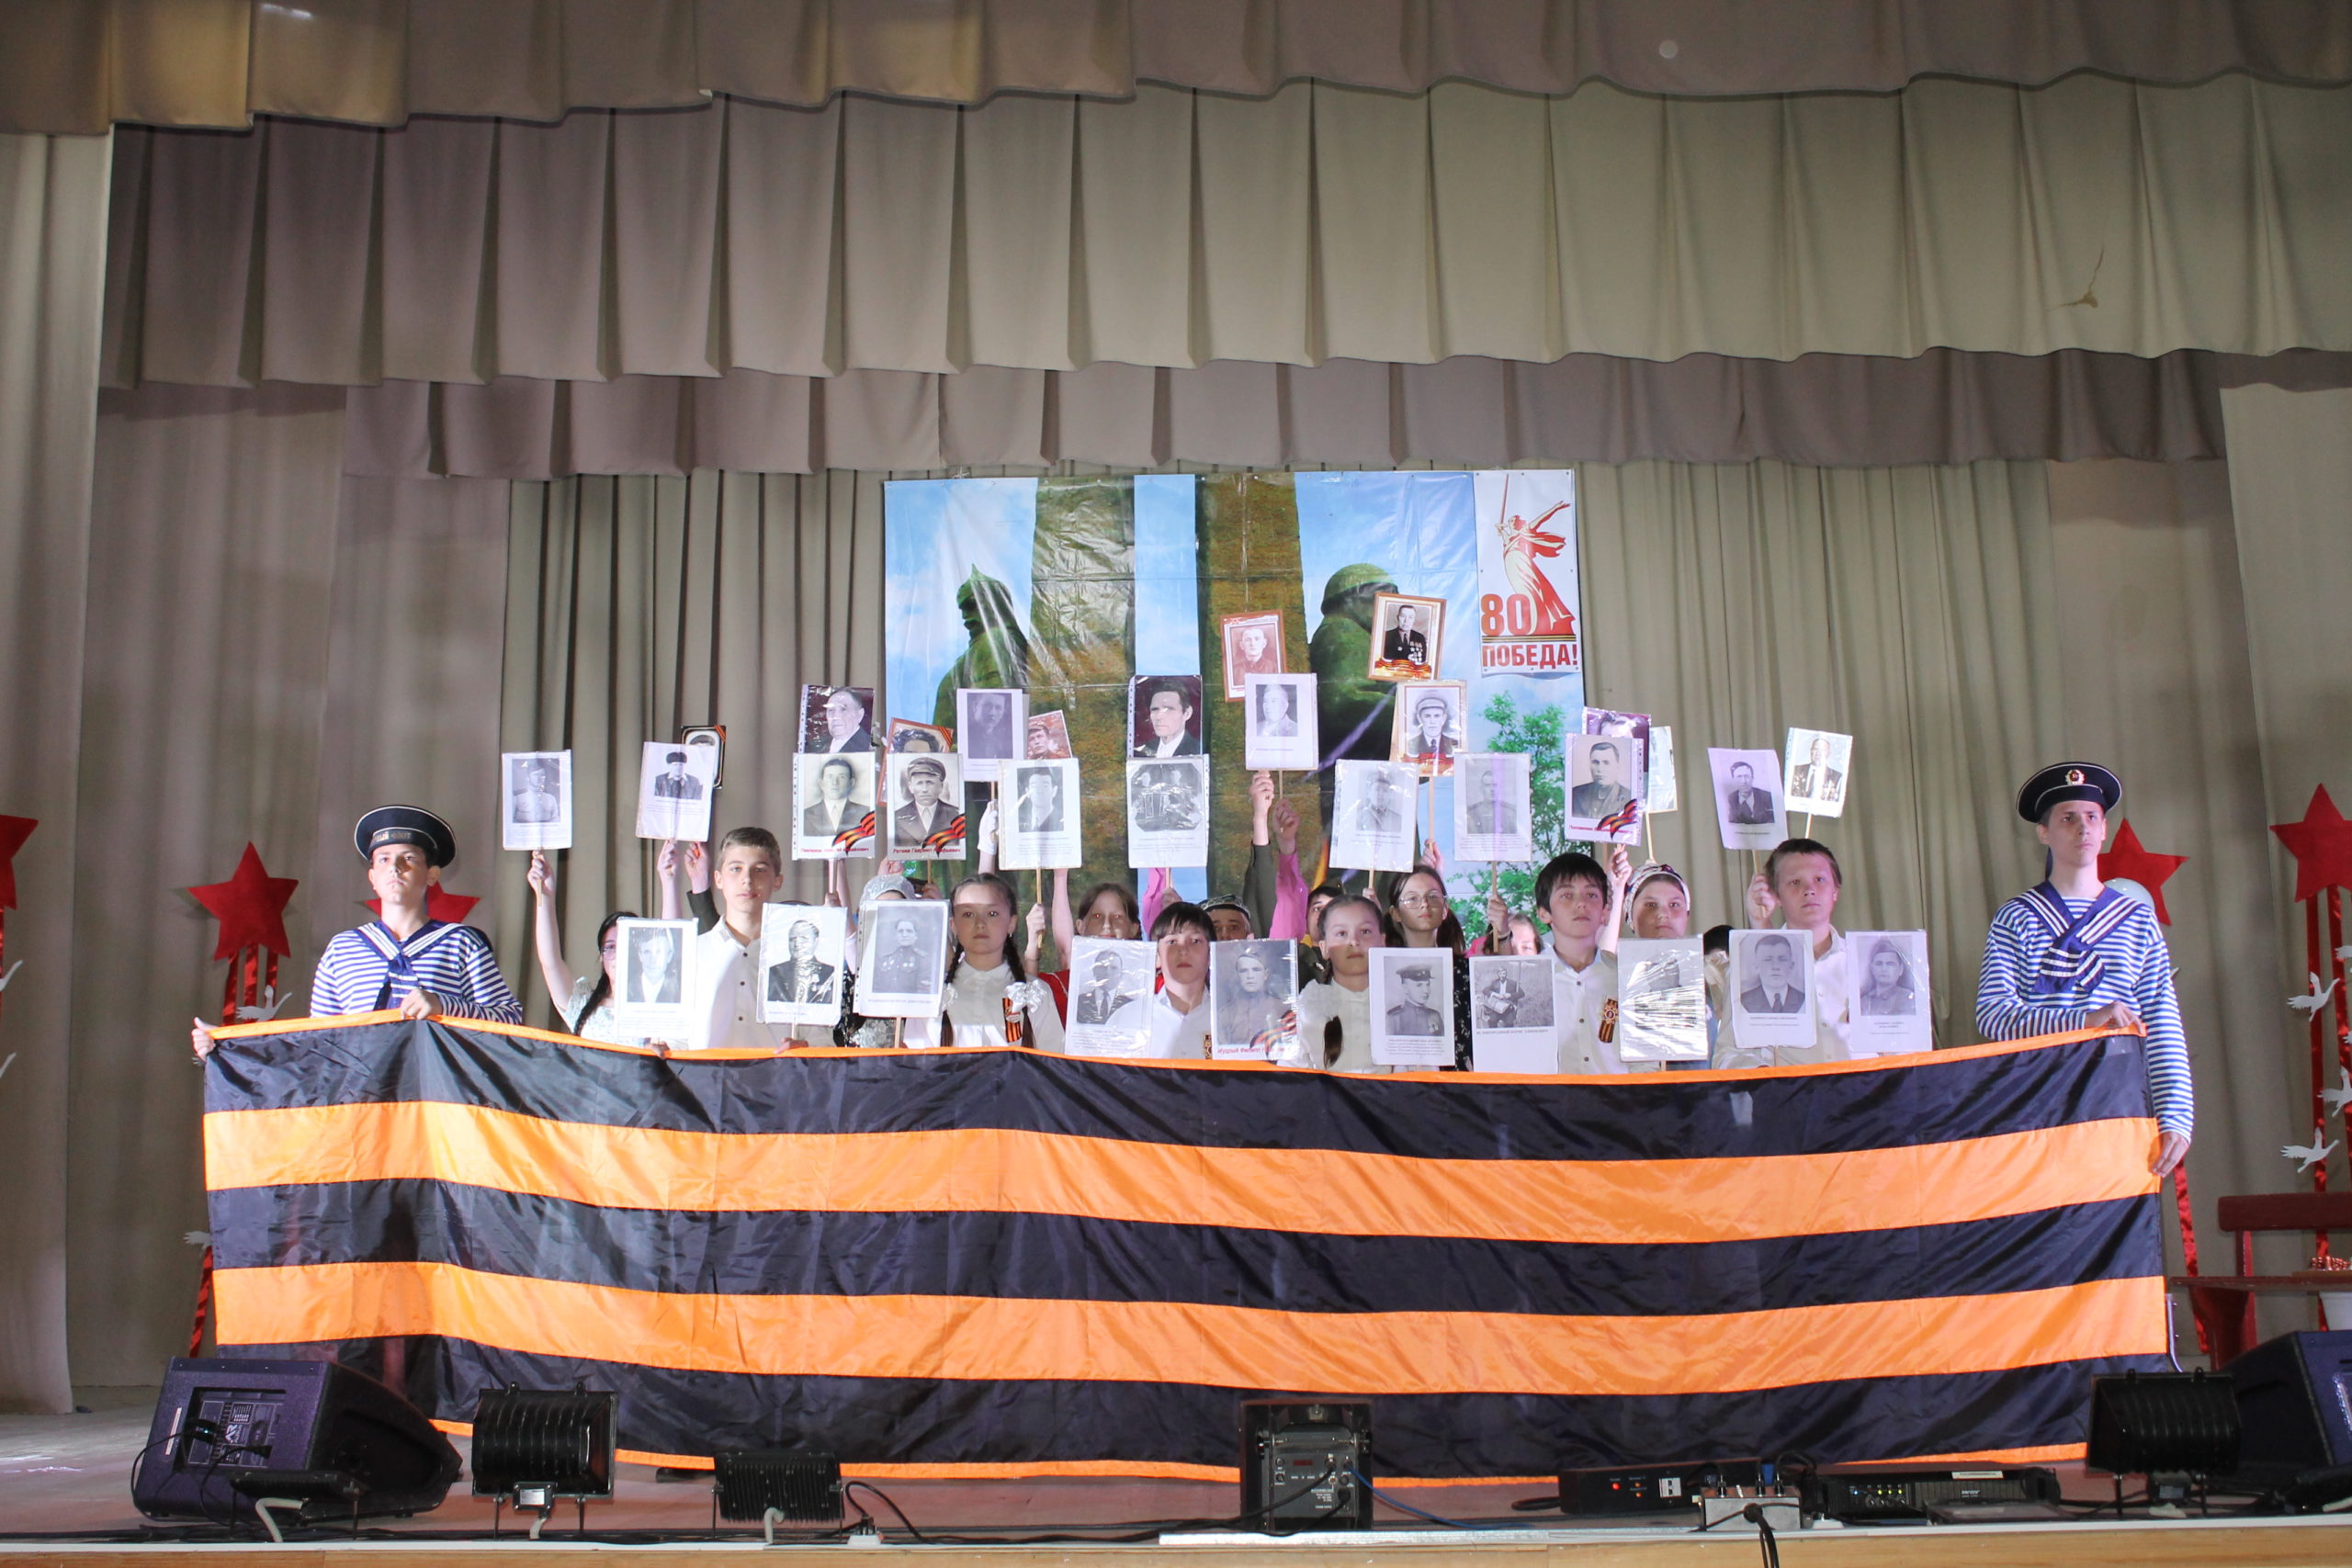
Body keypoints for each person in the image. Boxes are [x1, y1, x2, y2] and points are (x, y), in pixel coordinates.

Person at [1978, 761, 2191, 1177]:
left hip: (2118, 1100)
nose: (2083, 829)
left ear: (2105, 829)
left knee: (2117, 1212)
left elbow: (2162, 1019)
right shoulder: (2016, 917)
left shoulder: (2136, 919)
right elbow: (1993, 1016)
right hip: (2037, 1097)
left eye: (2092, 817)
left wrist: (2176, 1115)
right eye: (2068, 818)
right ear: (2044, 833)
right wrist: (2084, 1020)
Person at [195, 806, 521, 1058]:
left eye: (408, 859)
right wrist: (228, 1046)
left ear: (432, 875)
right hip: (364, 1099)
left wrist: (443, 1005)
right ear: (372, 878)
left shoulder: (461, 942)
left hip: (439, 1098)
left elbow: (510, 1021)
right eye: (383, 860)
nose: (395, 868)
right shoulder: (343, 949)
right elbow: (320, 1039)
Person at [525, 842, 684, 1047]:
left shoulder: (657, 1006)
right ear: (601, 956)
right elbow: (550, 962)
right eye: (610, 947)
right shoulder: (582, 1002)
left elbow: (672, 940)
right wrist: (545, 896)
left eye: (627, 945)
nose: (619, 954)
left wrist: (669, 882)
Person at [1719, 837, 1850, 1066]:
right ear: (1776, 895)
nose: (1809, 890)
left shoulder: (1866, 962)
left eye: (1819, 879)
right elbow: (1728, 1054)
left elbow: (1905, 1048)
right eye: (1795, 882)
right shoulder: (1747, 969)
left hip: (1864, 1087)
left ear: (1835, 890)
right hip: (1789, 1088)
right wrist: (1764, 1076)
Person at [684, 826, 794, 1052]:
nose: (747, 880)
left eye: (759, 870)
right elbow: (675, 1040)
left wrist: (806, 1047)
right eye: (736, 869)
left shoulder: (797, 958)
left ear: (777, 881)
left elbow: (820, 1040)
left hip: (776, 1073)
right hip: (707, 1074)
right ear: (718, 879)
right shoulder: (691, 953)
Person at [940, 872, 1065, 1052]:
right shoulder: (935, 996)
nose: (980, 923)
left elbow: (1053, 1061)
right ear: (953, 925)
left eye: (992, 913)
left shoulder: (1037, 993)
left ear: (1011, 923)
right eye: (968, 914)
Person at [1533, 849, 1629, 1074]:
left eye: (1591, 895)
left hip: (1618, 1094)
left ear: (1605, 912)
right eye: (1567, 895)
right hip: (1550, 1096)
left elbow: (1645, 1060)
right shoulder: (1530, 982)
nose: (1581, 904)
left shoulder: (1625, 976)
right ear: (1544, 913)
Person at [1386, 860, 1472, 1067]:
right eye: (1412, 899)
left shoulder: (1465, 973)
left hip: (1456, 1083)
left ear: (1445, 909)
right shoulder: (1382, 972)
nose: (1424, 904)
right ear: (1396, 913)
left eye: (1433, 897)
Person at [1293, 895, 1387, 1071]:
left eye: (1365, 931)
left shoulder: (1401, 1005)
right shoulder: (1307, 1010)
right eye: (1341, 934)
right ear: (1324, 948)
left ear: (1382, 941)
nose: (1354, 941)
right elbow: (1289, 1076)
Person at [1130, 901, 1214, 1059]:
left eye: (1195, 941)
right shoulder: (1130, 1018)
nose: (1184, 950)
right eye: (1172, 942)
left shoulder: (1231, 1021)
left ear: (1210, 955)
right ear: (1156, 956)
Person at [1216, 941, 1288, 1047]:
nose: (1250, 976)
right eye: (1244, 971)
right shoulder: (1225, 1014)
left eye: (1256, 970)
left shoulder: (1283, 1009)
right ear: (1237, 975)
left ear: (1266, 974)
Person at [893, 754, 961, 851]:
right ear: (911, 787)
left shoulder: (957, 815)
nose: (924, 789)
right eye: (919, 783)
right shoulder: (897, 817)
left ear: (941, 786)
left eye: (929, 782)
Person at [765, 917, 838, 1008]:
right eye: (792, 939)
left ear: (815, 941)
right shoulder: (774, 972)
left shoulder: (832, 973)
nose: (797, 943)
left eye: (803, 938)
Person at [802, 756, 870, 839]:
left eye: (842, 777)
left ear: (851, 783)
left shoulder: (866, 813)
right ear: (821, 783)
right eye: (830, 777)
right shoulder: (805, 815)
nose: (835, 782)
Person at [1072, 948, 1143, 1026]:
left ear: (1121, 974)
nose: (1108, 972)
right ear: (1094, 970)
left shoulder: (1129, 1005)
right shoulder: (1078, 1002)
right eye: (1103, 967)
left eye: (1114, 968)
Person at [1572, 739, 1637, 821]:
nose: (1600, 769)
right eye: (1595, 762)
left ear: (1617, 766)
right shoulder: (1575, 794)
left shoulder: (1629, 798)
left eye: (1606, 763)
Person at [1740, 932, 1806, 1012]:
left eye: (1782, 959)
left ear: (1792, 965)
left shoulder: (1804, 1000)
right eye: (1768, 960)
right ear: (1756, 966)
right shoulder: (1743, 1001)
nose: (1775, 967)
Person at [1134, 681, 1201, 758]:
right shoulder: (1144, 750)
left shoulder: (1197, 750)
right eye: (1155, 709)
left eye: (1169, 709)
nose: (1158, 717)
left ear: (1187, 713)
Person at [1131, 761, 1202, 832]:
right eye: (1172, 775)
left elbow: (1192, 802)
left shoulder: (1185, 789)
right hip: (1168, 819)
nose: (1174, 777)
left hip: (1181, 816)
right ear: (1170, 777)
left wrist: (1197, 811)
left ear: (1180, 776)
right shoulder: (1165, 788)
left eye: (1176, 775)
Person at [1857, 937, 1918, 1016]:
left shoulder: (1909, 999)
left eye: (1890, 964)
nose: (1884, 969)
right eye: (1879, 964)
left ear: (1900, 969)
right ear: (1872, 969)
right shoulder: (1863, 1002)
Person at [1385, 962, 1445, 1035]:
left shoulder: (1435, 1016)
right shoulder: (1394, 1018)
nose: (1426, 991)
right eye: (1419, 985)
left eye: (1428, 985)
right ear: (1405, 988)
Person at [1401, 691, 1457, 768]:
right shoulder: (1409, 744)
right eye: (1427, 716)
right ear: (1419, 718)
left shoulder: (1455, 744)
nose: (1432, 721)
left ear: (1444, 718)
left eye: (1437, 716)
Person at [1464, 761, 1518, 835]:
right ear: (1481, 789)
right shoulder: (1471, 813)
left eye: (1495, 785)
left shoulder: (1511, 813)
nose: (1492, 789)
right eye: (1487, 785)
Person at [1790, 735, 1844, 806]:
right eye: (1815, 749)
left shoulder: (1837, 777)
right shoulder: (1795, 770)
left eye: (1822, 750)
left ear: (1828, 753)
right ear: (1811, 751)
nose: (1818, 754)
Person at [819, 687, 875, 753]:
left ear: (860, 715)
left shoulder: (869, 748)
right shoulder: (819, 745)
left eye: (843, 709)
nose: (836, 716)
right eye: (831, 710)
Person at [1353, 766, 1408, 834]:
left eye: (1385, 790)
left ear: (1390, 794)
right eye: (1377, 789)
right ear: (1368, 792)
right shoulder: (1357, 817)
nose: (1381, 794)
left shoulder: (1398, 819)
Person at [1014, 765, 1066, 833]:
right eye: (1034, 786)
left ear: (1054, 791)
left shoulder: (1063, 821)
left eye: (1045, 786)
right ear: (1027, 792)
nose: (1039, 791)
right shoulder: (1019, 820)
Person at [1723, 760, 1773, 825]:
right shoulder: (1730, 799)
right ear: (1733, 780)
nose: (1744, 781)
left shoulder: (1766, 797)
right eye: (1739, 777)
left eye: (1747, 776)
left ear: (1752, 778)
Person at [1381, 603, 1429, 670]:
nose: (1406, 621)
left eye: (1410, 617)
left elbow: (1424, 662)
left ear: (1414, 620)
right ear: (1398, 618)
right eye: (1403, 616)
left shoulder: (1420, 638)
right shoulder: (1386, 636)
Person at [512, 760, 560, 824]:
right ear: (528, 777)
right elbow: (509, 822)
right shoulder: (517, 799)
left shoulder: (551, 798)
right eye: (535, 775)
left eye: (542, 775)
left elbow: (556, 820)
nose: (539, 778)